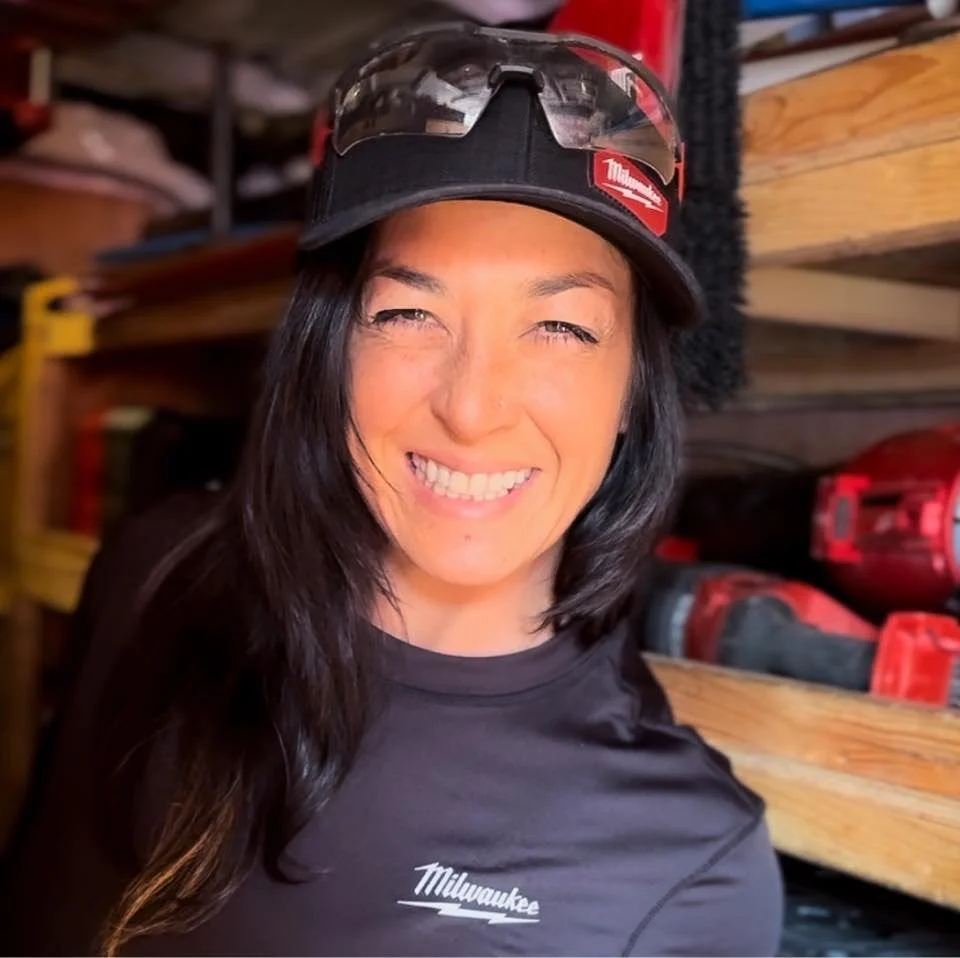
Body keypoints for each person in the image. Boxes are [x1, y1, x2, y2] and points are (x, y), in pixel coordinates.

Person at [1, 22, 784, 957]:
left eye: (562, 329)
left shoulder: (685, 866)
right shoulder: (159, 570)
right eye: (409, 313)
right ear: (329, 350)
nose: (472, 409)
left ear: (633, 392)